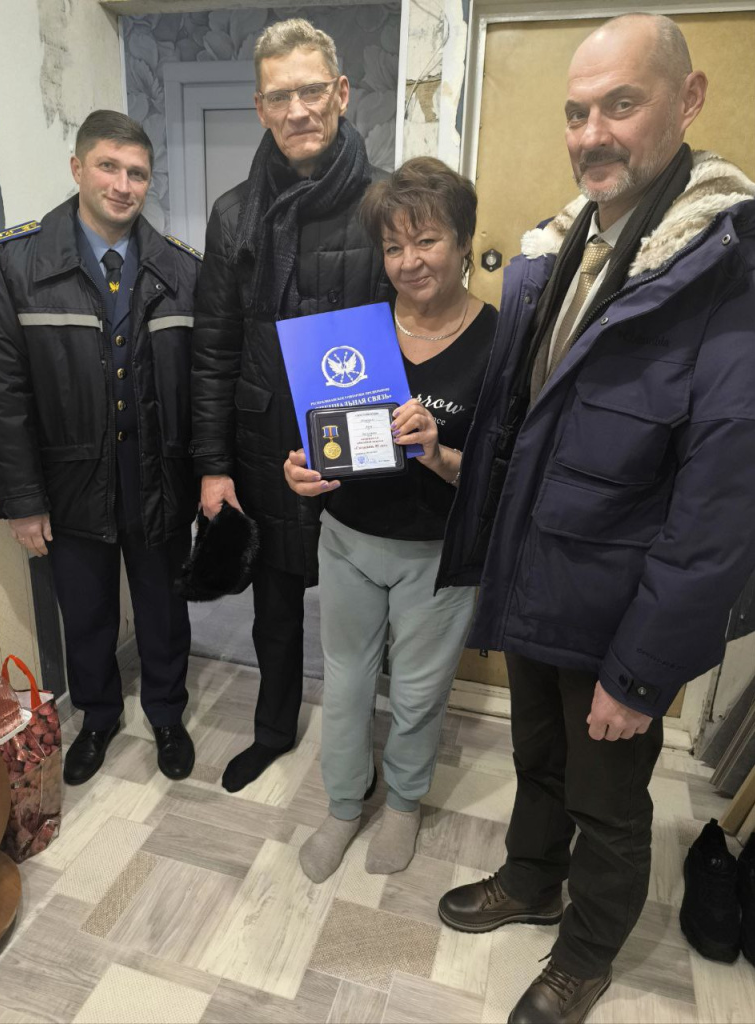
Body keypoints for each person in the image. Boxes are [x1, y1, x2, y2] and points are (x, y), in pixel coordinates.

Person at [434, 14, 755, 1024]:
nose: (591, 133)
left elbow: (720, 507)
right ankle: (532, 877)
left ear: (687, 100)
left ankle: (585, 952)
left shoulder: (728, 271)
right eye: (577, 112)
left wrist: (642, 670)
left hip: (618, 610)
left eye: (621, 104)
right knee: (535, 756)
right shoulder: (567, 242)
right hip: (537, 575)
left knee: (609, 800)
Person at [0, 110, 201, 786]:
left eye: (138, 173)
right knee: (87, 612)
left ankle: (166, 714)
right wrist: (21, 500)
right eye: (108, 166)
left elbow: (204, 381)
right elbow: (1, 394)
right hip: (69, 485)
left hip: (160, 478)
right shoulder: (14, 264)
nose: (123, 185)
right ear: (77, 168)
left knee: (164, 610)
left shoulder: (183, 269)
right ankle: (98, 717)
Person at [284, 157, 497, 882]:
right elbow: (313, 434)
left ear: (463, 241)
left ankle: (404, 802)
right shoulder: (355, 330)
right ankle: (345, 803)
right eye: (394, 246)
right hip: (347, 539)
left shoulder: (500, 341)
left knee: (416, 692)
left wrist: (439, 453)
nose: (410, 261)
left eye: (427, 240)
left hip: (438, 552)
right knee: (345, 685)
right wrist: (298, 472)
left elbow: (503, 474)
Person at [191, 18, 390, 793]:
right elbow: (214, 350)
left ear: (340, 93)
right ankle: (273, 730)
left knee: (361, 614)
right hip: (263, 441)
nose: (298, 109)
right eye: (280, 96)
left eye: (311, 90)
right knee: (274, 606)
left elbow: (417, 329)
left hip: (361, 439)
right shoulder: (233, 214)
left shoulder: (387, 202)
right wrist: (214, 468)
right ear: (260, 107)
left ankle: (357, 748)